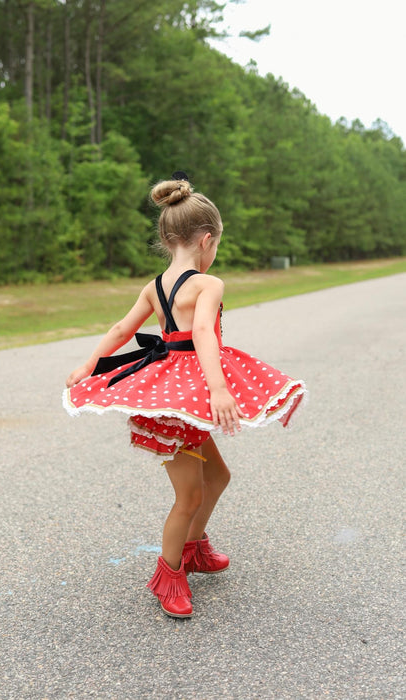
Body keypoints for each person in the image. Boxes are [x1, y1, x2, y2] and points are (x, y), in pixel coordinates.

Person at [63, 172, 307, 619]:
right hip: (187, 393)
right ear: (207, 241)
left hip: (173, 392)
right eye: (216, 247)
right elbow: (202, 336)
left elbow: (123, 330)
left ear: (168, 238)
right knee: (189, 496)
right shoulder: (208, 284)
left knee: (218, 478)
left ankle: (193, 548)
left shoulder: (153, 285)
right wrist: (219, 388)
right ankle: (168, 574)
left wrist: (89, 364)